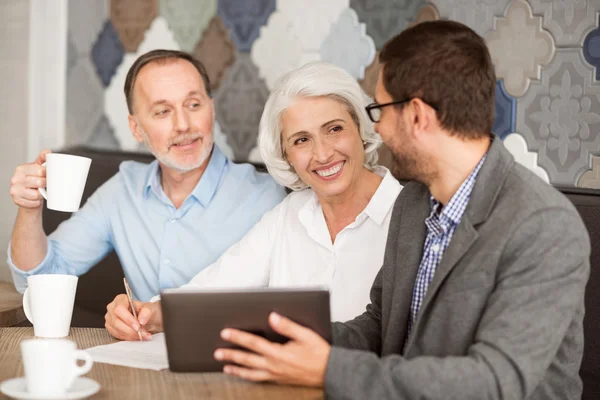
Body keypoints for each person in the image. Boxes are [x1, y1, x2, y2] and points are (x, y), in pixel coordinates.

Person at [208, 21, 591, 400]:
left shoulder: (543, 227)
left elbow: (491, 383)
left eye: (381, 110)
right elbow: (381, 324)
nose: (379, 129)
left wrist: (328, 369)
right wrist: (283, 341)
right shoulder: (415, 203)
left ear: (418, 117)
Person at [104, 62, 402, 341]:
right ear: (285, 154)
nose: (322, 154)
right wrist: (148, 314)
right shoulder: (290, 213)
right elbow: (216, 289)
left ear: (360, 129)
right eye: (301, 140)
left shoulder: (409, 216)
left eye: (334, 129)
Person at [8, 50, 286, 301]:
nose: (183, 125)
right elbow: (39, 279)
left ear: (211, 110)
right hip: (138, 355)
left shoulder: (265, 199)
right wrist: (30, 209)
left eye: (193, 105)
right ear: (136, 128)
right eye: (163, 111)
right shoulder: (121, 191)